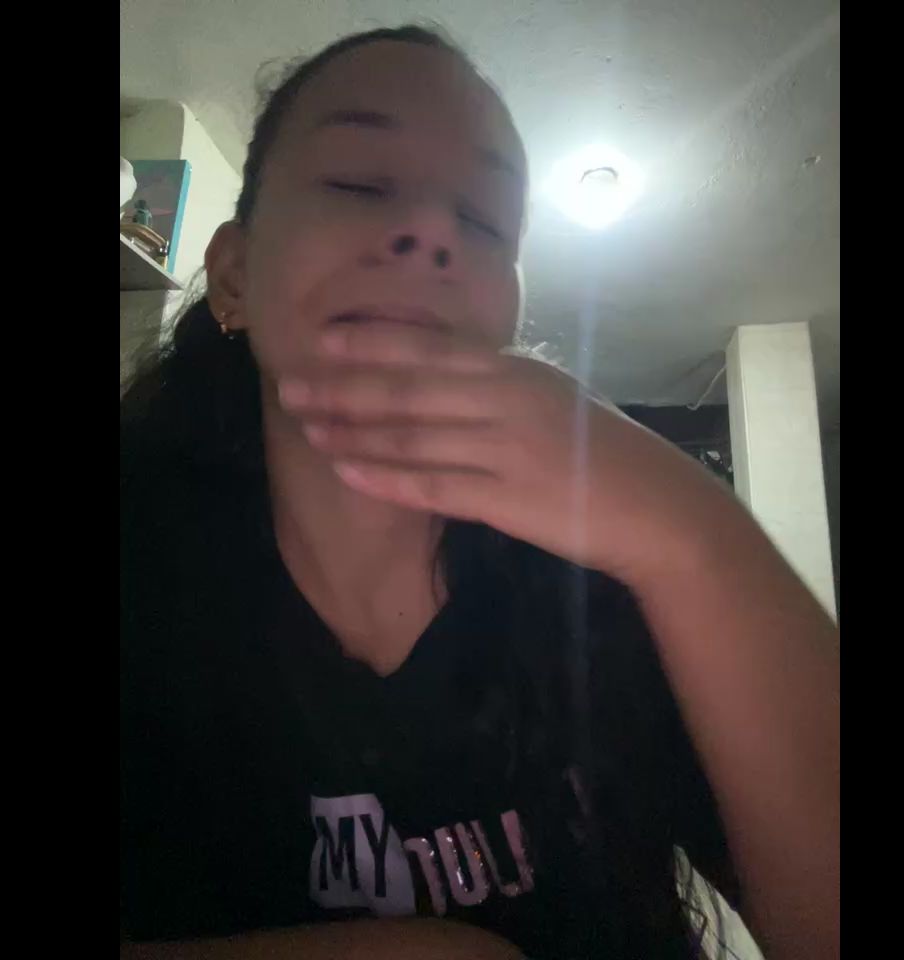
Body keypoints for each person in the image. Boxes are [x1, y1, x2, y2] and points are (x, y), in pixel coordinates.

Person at [120, 25, 839, 960]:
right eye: (360, 183)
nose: (435, 231)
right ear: (234, 274)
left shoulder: (608, 595)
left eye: (488, 221)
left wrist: (695, 535)